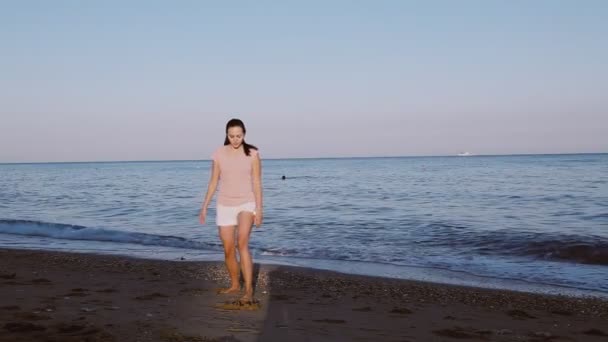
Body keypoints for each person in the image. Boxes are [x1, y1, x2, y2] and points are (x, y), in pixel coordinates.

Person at [199, 118, 263, 303]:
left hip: (246, 203)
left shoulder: (252, 153)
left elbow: (257, 183)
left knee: (241, 243)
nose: (235, 139)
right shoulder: (219, 154)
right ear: (227, 135)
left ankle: (249, 290)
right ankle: (235, 284)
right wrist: (204, 206)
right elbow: (213, 182)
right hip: (224, 204)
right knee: (228, 249)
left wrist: (259, 209)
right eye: (232, 136)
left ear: (244, 134)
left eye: (239, 136)